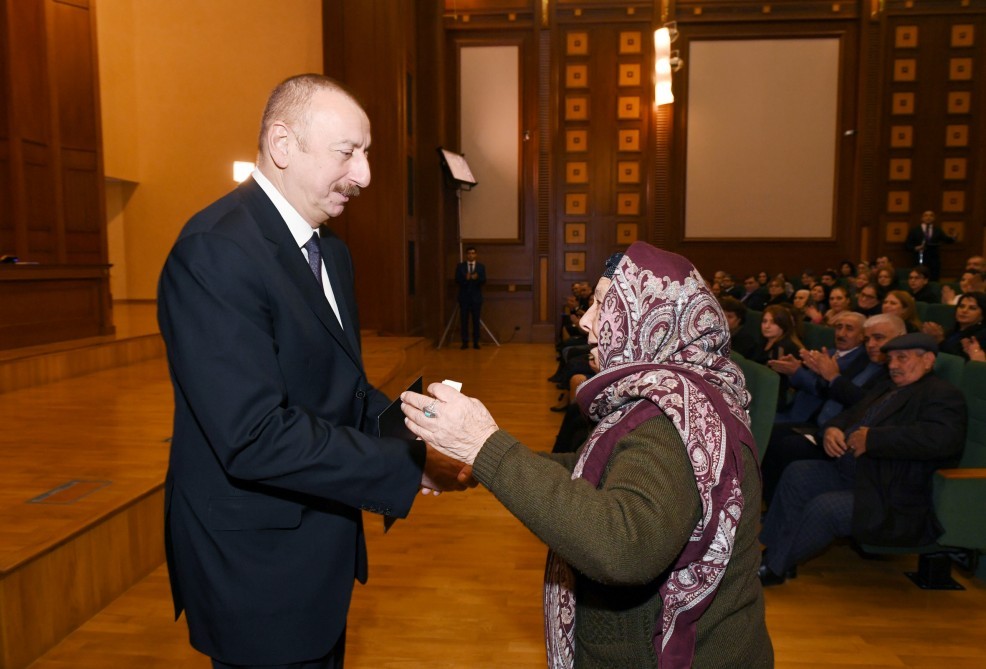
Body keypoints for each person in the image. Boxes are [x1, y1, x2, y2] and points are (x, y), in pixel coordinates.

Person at [157, 74, 470, 668]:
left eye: (366, 153)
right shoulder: (215, 251)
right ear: (282, 144)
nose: (365, 175)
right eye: (347, 152)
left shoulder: (331, 250)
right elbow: (252, 437)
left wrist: (421, 424)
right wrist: (407, 466)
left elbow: (342, 392)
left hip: (314, 554)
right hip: (257, 571)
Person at [402, 243, 773, 667]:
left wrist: (484, 444)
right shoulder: (673, 393)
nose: (585, 321)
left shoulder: (671, 421)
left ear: (648, 320)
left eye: (602, 306)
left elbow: (623, 547)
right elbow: (589, 471)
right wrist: (475, 464)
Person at [758, 333, 967, 586]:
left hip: (891, 492)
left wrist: (874, 439)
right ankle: (771, 552)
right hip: (856, 474)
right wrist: (832, 430)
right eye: (890, 359)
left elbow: (941, 440)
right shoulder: (888, 387)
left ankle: (773, 567)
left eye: (902, 358)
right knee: (798, 473)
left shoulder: (942, 394)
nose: (893, 365)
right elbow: (850, 414)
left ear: (928, 360)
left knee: (825, 508)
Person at [759, 314, 903, 504]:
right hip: (828, 425)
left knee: (788, 446)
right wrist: (813, 374)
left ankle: (779, 504)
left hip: (847, 441)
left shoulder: (893, 372)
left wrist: (832, 377)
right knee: (772, 435)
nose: (871, 344)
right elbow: (836, 392)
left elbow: (865, 405)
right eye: (868, 339)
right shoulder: (865, 360)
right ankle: (768, 504)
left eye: (879, 338)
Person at [922, 291, 986, 360]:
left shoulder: (981, 336)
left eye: (972, 308)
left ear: (982, 315)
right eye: (961, 306)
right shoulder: (952, 331)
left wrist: (940, 341)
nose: (964, 310)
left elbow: (959, 362)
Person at [904, 210, 956, 281]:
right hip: (919, 258)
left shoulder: (938, 230)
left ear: (934, 218)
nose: (928, 217)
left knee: (934, 279)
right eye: (926, 215)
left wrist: (953, 238)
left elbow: (946, 240)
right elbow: (907, 245)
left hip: (934, 260)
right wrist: (916, 248)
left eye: (931, 215)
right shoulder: (915, 230)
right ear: (922, 218)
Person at [456, 245, 486, 349]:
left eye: (473, 253)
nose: (471, 255)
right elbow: (457, 280)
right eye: (469, 253)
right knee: (464, 321)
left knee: (476, 321)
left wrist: (476, 278)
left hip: (476, 298)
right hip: (464, 298)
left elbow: (483, 280)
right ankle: (464, 342)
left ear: (476, 255)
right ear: (466, 255)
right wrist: (466, 278)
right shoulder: (460, 266)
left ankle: (476, 342)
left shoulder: (481, 267)